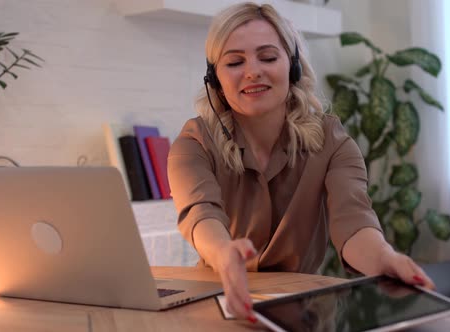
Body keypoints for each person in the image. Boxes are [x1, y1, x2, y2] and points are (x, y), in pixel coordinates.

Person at [168, 2, 435, 324]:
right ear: (216, 79)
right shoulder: (194, 142)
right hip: (220, 298)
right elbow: (199, 213)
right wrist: (224, 255)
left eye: (267, 57)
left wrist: (384, 258)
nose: (252, 71)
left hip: (303, 309)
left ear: (293, 67)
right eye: (235, 62)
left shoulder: (333, 142)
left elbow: (353, 222)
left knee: (438, 324)